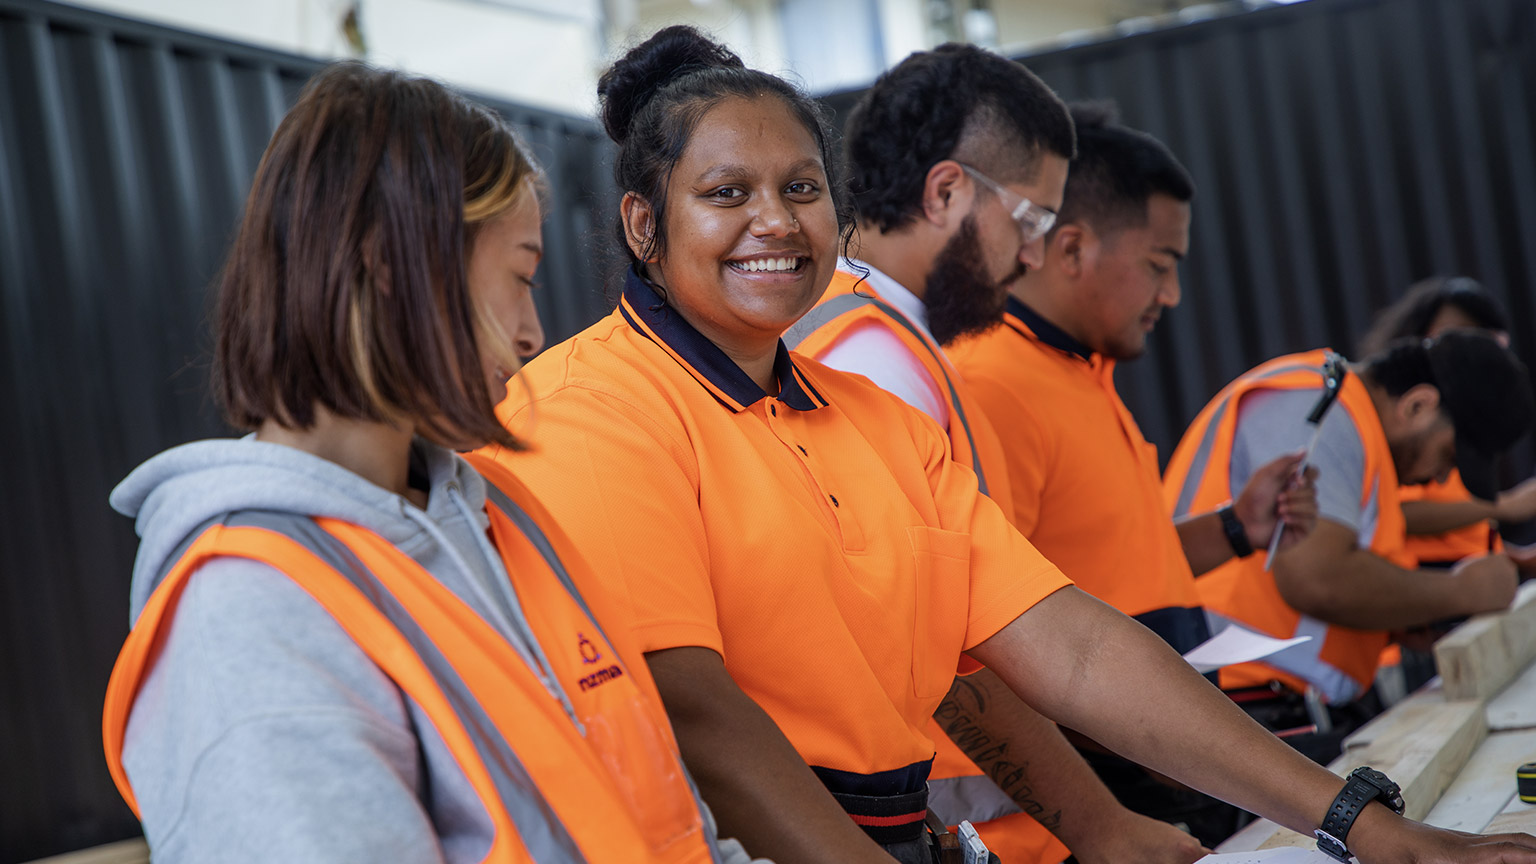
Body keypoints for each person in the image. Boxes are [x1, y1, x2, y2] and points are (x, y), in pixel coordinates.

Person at [485, 24, 1536, 864]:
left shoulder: (873, 418)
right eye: (726, 195)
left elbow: (1070, 644)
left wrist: (1365, 826)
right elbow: (696, 713)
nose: (776, 222)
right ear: (640, 225)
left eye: (801, 189)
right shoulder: (586, 408)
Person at [100, 62, 741, 863]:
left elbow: (671, 819)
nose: (533, 332)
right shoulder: (248, 617)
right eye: (519, 279)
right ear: (390, 267)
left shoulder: (501, 516)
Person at [931, 102, 1314, 843]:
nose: (1170, 295)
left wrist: (1238, 528)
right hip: (1111, 800)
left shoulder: (1079, 370)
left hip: (1169, 768)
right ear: (1071, 249)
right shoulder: (993, 387)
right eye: (1159, 267)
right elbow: (997, 639)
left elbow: (1102, 563)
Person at [1163, 331, 1535, 745]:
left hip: (1259, 707)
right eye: (1449, 456)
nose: (1443, 477)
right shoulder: (1320, 409)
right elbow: (1317, 578)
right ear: (1417, 405)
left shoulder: (1343, 414)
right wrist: (1464, 591)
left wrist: (1394, 620)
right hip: (1237, 707)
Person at [1358, 276, 1536, 569]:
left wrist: (1518, 560)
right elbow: (1386, 514)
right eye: (1450, 336)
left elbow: (1465, 536)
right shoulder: (1391, 434)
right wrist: (1507, 505)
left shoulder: (1461, 427)